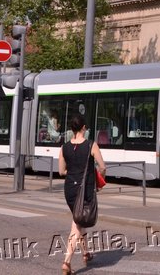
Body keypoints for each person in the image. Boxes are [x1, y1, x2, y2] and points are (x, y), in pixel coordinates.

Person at [58, 113, 105, 274]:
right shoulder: (91, 145)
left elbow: (61, 171)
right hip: (85, 191)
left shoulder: (64, 147)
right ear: (84, 128)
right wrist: (100, 181)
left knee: (79, 219)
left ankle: (86, 253)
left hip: (69, 189)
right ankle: (66, 262)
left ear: (72, 128)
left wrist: (73, 171)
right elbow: (102, 167)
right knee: (77, 223)